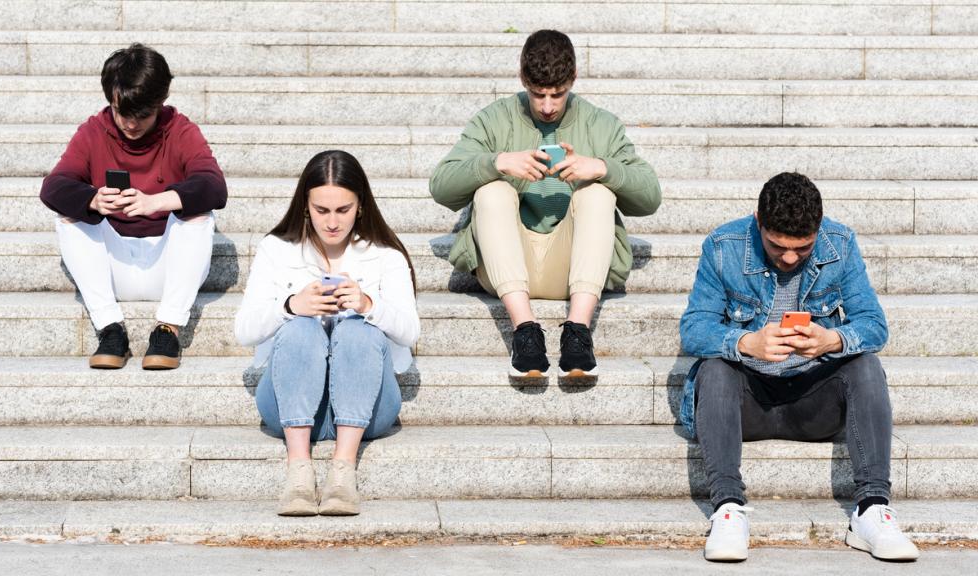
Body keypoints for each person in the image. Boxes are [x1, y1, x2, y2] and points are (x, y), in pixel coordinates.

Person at [679, 172, 919, 562]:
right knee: (715, 369)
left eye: (803, 248)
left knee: (866, 365)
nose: (789, 258)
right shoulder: (724, 246)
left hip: (813, 402)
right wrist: (745, 343)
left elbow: (874, 325)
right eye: (777, 246)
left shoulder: (840, 244)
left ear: (818, 229)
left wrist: (832, 339)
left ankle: (872, 509)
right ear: (758, 221)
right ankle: (727, 508)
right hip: (747, 402)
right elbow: (693, 329)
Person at [429, 29, 660, 378]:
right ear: (523, 79)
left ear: (573, 79)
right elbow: (441, 186)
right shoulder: (494, 119)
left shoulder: (600, 124)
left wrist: (601, 168)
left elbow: (651, 197)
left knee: (597, 192)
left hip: (573, 268)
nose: (548, 106)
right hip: (505, 267)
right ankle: (525, 332)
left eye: (557, 94)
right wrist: (497, 162)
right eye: (538, 94)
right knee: (492, 191)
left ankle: (578, 332)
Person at [235, 150, 419, 516]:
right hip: (289, 406)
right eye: (321, 210)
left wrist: (367, 305)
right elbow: (244, 331)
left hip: (369, 408)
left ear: (360, 206)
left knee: (358, 330)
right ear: (305, 206)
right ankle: (298, 472)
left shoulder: (385, 255)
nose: (332, 222)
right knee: (300, 327)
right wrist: (291, 306)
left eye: (343, 210)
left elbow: (410, 332)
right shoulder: (277, 249)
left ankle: (342, 472)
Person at [40, 43, 227, 370]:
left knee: (199, 215)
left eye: (142, 115)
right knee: (69, 215)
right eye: (121, 112)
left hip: (169, 267)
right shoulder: (93, 131)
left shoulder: (181, 130)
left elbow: (214, 186)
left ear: (160, 102)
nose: (130, 124)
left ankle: (168, 329)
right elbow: (53, 187)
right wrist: (93, 200)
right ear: (110, 100)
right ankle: (110, 329)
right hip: (113, 266)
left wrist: (156, 201)